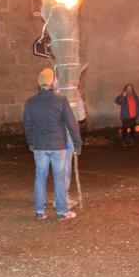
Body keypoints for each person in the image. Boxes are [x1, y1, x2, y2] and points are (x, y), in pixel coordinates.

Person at [23, 68, 82, 221]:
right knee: (59, 178)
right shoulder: (61, 100)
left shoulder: (30, 102)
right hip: (58, 146)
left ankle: (40, 211)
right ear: (53, 82)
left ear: (39, 83)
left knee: (40, 177)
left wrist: (31, 142)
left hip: (40, 146)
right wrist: (77, 143)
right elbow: (72, 124)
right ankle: (62, 212)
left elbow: (27, 125)